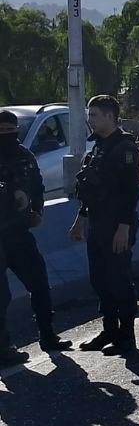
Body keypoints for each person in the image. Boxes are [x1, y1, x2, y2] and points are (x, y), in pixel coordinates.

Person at [68, 95, 139, 356]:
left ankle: (127, 336)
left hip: (116, 225)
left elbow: (131, 192)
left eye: (94, 115)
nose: (90, 120)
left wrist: (123, 227)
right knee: (100, 281)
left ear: (110, 116)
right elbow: (89, 192)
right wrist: (79, 222)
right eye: (90, 115)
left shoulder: (125, 149)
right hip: (97, 224)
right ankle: (109, 330)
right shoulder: (98, 148)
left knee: (119, 281)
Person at [0, 110, 72, 359]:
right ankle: (3, 348)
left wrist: (38, 211)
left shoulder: (25, 156)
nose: (6, 135)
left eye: (10, 130)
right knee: (1, 295)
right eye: (1, 131)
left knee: (39, 283)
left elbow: (37, 188)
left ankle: (48, 335)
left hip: (19, 233)